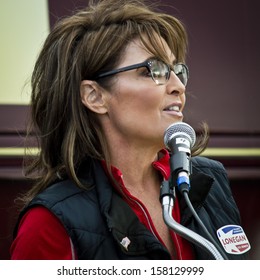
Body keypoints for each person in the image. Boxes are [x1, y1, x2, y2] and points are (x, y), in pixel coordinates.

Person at [10, 0, 249, 260]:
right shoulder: (49, 222)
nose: (178, 85)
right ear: (94, 96)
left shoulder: (209, 179)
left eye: (177, 70)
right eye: (153, 70)